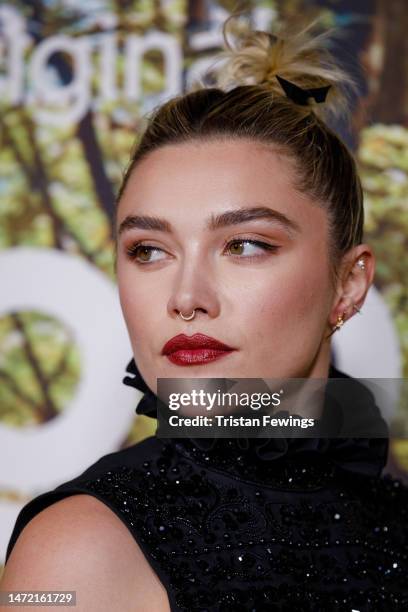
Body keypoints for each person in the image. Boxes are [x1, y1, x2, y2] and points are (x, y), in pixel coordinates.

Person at [1, 15, 407, 612]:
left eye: (244, 244)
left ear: (348, 285)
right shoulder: (78, 553)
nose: (186, 296)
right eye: (150, 251)